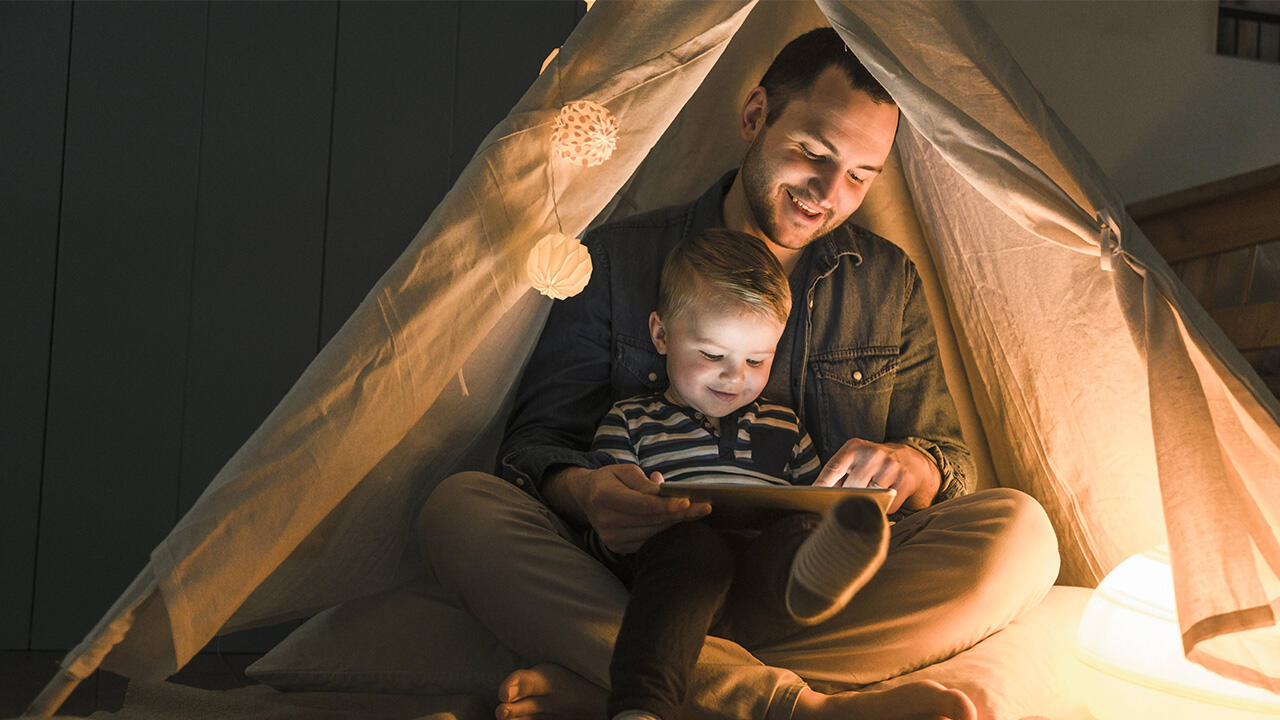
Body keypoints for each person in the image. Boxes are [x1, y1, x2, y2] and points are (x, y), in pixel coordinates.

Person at [418, 27, 1058, 720]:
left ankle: (629, 682)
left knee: (1021, 535)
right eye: (812, 154)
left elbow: (948, 455)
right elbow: (536, 444)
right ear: (755, 117)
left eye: (859, 176)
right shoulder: (618, 260)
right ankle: (794, 707)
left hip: (803, 583)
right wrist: (589, 493)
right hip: (647, 574)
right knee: (459, 510)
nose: (827, 192)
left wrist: (913, 467)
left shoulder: (885, 282)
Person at [593, 227, 892, 720]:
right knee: (692, 548)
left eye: (757, 360)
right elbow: (612, 513)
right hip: (675, 577)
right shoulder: (631, 419)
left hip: (764, 579)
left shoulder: (784, 424)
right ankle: (642, 707)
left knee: (795, 532)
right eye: (713, 355)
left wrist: (832, 517)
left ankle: (815, 578)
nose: (735, 378)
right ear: (661, 335)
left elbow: (812, 498)